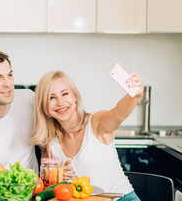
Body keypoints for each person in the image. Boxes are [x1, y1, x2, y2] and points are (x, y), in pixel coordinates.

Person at [31, 70, 143, 201]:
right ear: (44, 106)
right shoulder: (49, 143)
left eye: (65, 94)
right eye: (51, 97)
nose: (60, 102)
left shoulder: (97, 123)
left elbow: (118, 114)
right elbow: (47, 187)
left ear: (75, 97)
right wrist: (57, 179)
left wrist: (134, 95)